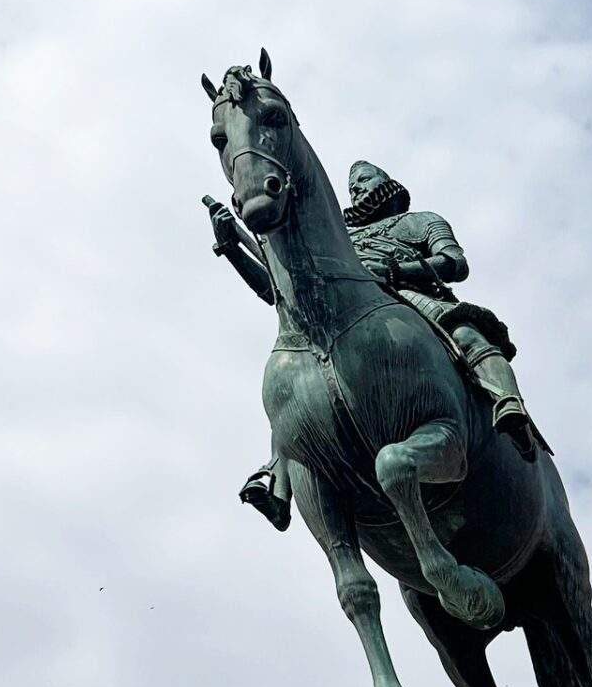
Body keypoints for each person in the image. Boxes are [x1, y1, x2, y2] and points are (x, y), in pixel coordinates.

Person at [208, 161, 546, 527]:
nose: (357, 190)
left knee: (465, 333)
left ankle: (509, 404)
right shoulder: (340, 238)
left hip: (407, 296)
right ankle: (278, 476)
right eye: (352, 187)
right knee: (295, 378)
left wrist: (399, 271)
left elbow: (455, 263)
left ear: (386, 180)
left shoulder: (419, 220)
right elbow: (274, 290)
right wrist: (231, 247)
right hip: (345, 310)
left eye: (364, 180)